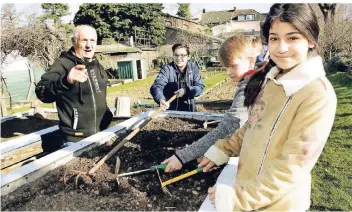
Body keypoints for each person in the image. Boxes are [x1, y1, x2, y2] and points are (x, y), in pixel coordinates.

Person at [198, 4, 337, 211]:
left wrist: (236, 198)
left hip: (277, 204)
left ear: (310, 40)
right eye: (274, 38)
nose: (281, 47)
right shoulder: (273, 81)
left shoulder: (317, 94)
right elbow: (252, 127)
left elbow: (291, 168)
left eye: (292, 38)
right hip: (249, 189)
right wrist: (223, 149)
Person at [161, 35, 265, 173]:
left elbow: (228, 127)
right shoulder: (257, 79)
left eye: (233, 66)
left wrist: (182, 156)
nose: (228, 72)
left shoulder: (250, 88)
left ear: (251, 61)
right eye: (226, 67)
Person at [35, 25, 112, 151]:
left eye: (92, 40)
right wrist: (66, 81)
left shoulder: (96, 64)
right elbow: (41, 92)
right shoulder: (63, 64)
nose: (89, 45)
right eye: (84, 40)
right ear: (73, 41)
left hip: (102, 133)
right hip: (76, 140)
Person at [150, 43, 205, 112]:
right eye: (176, 55)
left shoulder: (193, 68)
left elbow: (200, 87)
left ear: (188, 56)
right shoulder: (167, 69)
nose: (179, 58)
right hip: (171, 112)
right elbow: (156, 86)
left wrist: (186, 90)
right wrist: (161, 99)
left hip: (190, 111)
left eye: (182, 55)